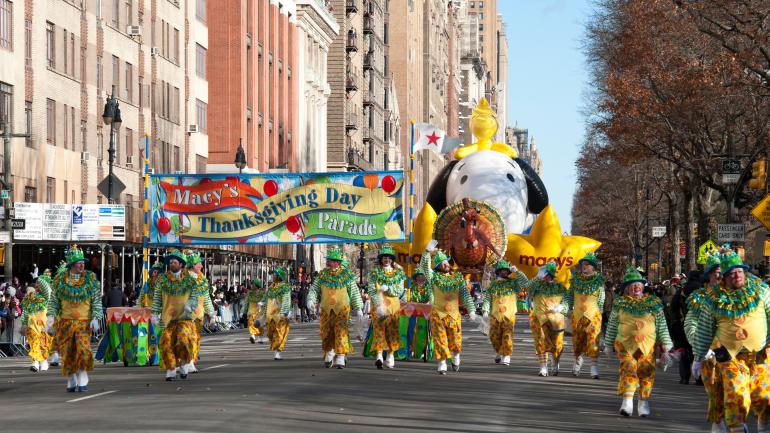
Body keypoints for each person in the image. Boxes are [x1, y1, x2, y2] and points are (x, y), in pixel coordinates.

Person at [692, 250, 770, 433]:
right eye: (732, 273)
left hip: (760, 355)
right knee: (735, 397)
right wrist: (698, 357)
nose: (737, 276)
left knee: (763, 398)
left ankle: (764, 425)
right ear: (724, 277)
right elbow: (704, 328)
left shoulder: (761, 290)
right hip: (731, 358)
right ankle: (736, 428)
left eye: (740, 271)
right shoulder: (714, 299)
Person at [603, 266, 673, 417]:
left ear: (643, 286)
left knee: (646, 373)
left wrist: (667, 345)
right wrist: (608, 344)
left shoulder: (654, 304)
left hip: (647, 346)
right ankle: (627, 401)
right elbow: (613, 325)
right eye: (632, 284)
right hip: (625, 345)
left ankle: (643, 401)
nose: (636, 286)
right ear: (627, 289)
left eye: (639, 284)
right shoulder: (620, 304)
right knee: (629, 368)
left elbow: (662, 326)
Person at [47, 245, 103, 392]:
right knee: (67, 352)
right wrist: (51, 317)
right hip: (65, 323)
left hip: (83, 323)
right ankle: (71, 378)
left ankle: (83, 376)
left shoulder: (90, 279)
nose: (82, 265)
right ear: (72, 264)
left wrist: (96, 317)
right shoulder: (60, 280)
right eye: (79, 262)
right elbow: (54, 301)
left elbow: (96, 300)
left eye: (83, 262)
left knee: (83, 350)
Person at [418, 241, 476, 375]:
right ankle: (442, 362)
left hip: (454, 315)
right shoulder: (434, 277)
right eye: (442, 263)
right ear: (438, 267)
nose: (446, 265)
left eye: (446, 262)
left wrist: (471, 309)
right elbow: (425, 267)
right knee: (440, 340)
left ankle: (455, 356)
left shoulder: (457, 277)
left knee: (455, 341)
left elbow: (465, 294)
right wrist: (426, 252)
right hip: (438, 314)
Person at [684, 253, 725, 433]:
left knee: (737, 394)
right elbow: (690, 324)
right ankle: (719, 425)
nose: (720, 275)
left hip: (736, 354)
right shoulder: (700, 297)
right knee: (715, 393)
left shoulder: (740, 295)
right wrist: (699, 350)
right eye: (717, 271)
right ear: (709, 275)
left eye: (724, 271)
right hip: (710, 354)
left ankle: (738, 424)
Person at [306, 246, 364, 369]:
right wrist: (310, 300)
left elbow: (354, 292)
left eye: (331, 260)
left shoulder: (346, 275)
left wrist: (358, 308)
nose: (328, 262)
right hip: (326, 310)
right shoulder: (322, 275)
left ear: (337, 263)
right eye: (328, 260)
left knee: (341, 332)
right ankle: (329, 351)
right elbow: (314, 289)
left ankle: (341, 356)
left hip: (342, 309)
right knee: (327, 333)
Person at [151, 249, 200, 381]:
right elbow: (157, 298)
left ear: (181, 264)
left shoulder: (189, 280)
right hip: (167, 319)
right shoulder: (162, 280)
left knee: (182, 340)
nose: (172, 264)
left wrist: (190, 305)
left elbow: (195, 296)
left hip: (184, 318)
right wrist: (155, 313)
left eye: (174, 262)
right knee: (166, 343)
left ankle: (183, 363)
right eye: (170, 262)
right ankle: (171, 369)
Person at [565, 252, 605, 379]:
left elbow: (601, 299)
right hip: (577, 315)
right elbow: (569, 295)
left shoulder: (598, 282)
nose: (584, 266)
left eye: (587, 265)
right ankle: (578, 360)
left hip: (593, 316)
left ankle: (593, 366)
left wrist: (599, 311)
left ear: (593, 267)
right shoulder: (575, 280)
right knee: (578, 341)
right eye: (583, 264)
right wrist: (568, 309)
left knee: (593, 340)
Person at [481, 259, 527, 366]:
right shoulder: (493, 285)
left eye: (506, 270)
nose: (504, 272)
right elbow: (488, 298)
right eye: (502, 270)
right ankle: (499, 352)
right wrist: (485, 311)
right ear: (498, 271)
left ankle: (506, 355)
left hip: (509, 315)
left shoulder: (513, 283)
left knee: (507, 336)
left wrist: (517, 272)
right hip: (495, 315)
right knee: (494, 337)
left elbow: (525, 281)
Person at [367, 244, 406, 369]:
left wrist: (389, 288)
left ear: (392, 259)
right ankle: (379, 355)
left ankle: (390, 354)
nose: (386, 259)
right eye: (384, 257)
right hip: (378, 306)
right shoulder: (374, 273)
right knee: (379, 330)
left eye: (389, 257)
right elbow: (371, 290)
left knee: (392, 331)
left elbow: (400, 290)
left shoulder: (398, 273)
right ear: (381, 259)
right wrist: (377, 304)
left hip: (393, 307)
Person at [526, 261, 568, 377]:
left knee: (557, 345)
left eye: (549, 274)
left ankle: (555, 361)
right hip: (538, 318)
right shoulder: (536, 285)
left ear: (553, 275)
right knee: (540, 341)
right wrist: (537, 277)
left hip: (556, 320)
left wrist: (562, 307)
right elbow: (527, 287)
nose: (547, 276)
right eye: (545, 274)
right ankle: (543, 367)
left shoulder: (560, 287)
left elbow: (566, 302)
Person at [185, 251, 216, 374]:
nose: (202, 266)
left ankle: (190, 361)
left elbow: (206, 298)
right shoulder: (184, 279)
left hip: (198, 316)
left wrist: (211, 314)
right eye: (199, 264)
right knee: (187, 339)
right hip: (185, 315)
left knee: (196, 339)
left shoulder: (202, 280)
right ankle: (186, 362)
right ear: (193, 265)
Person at [669, 270, 702, 385]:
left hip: (683, 324)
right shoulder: (703, 290)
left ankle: (684, 377)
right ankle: (699, 377)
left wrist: (676, 320)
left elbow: (673, 306)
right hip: (700, 324)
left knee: (684, 351)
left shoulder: (682, 290)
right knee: (698, 350)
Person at [20, 269, 53, 372]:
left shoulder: (46, 297)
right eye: (36, 284)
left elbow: (46, 289)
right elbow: (25, 312)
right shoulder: (28, 299)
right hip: (32, 326)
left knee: (44, 344)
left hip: (44, 326)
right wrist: (24, 324)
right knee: (34, 343)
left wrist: (36, 278)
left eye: (39, 284)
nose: (37, 285)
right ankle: (35, 362)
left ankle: (43, 362)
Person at [265, 267, 292, 360]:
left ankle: (278, 352)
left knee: (279, 333)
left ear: (279, 277)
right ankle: (276, 350)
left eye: (275, 275)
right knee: (270, 334)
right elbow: (267, 299)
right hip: (270, 315)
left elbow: (286, 300)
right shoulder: (271, 287)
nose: (273, 276)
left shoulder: (285, 287)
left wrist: (284, 312)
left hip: (280, 315)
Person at [243, 278, 265, 344]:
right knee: (251, 323)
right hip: (251, 312)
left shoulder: (262, 293)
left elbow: (266, 301)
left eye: (253, 284)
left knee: (260, 326)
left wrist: (262, 303)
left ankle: (260, 338)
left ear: (256, 285)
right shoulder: (249, 293)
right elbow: (246, 303)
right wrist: (244, 312)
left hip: (260, 312)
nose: (251, 285)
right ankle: (252, 336)